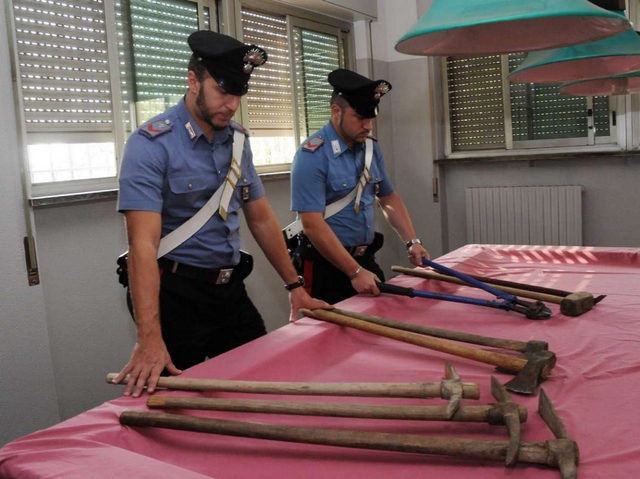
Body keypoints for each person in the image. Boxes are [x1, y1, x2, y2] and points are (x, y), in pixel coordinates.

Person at [113, 30, 331, 398]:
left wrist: (297, 287)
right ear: (193, 81)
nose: (230, 105)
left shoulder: (238, 141)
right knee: (179, 404)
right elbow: (143, 245)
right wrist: (149, 338)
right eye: (222, 92)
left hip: (229, 289)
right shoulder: (150, 145)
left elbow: (260, 218)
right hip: (175, 294)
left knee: (258, 384)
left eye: (237, 95)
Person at [290, 68, 430, 304]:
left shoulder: (371, 149)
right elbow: (312, 224)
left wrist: (412, 241)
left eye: (370, 118)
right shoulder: (312, 155)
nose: (368, 126)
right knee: (329, 336)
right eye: (360, 118)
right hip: (326, 266)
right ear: (336, 111)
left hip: (365, 259)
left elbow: (388, 198)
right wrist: (353, 272)